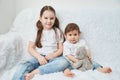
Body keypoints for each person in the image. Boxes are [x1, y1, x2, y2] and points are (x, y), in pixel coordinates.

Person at [12, 5, 70, 80]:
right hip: (38, 57)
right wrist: (39, 57)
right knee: (22, 65)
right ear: (40, 19)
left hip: (53, 58)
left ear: (55, 19)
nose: (49, 21)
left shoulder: (57, 32)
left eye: (51, 18)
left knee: (64, 62)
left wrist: (53, 55)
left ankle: (34, 73)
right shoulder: (36, 31)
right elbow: (30, 48)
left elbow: (60, 49)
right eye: (46, 18)